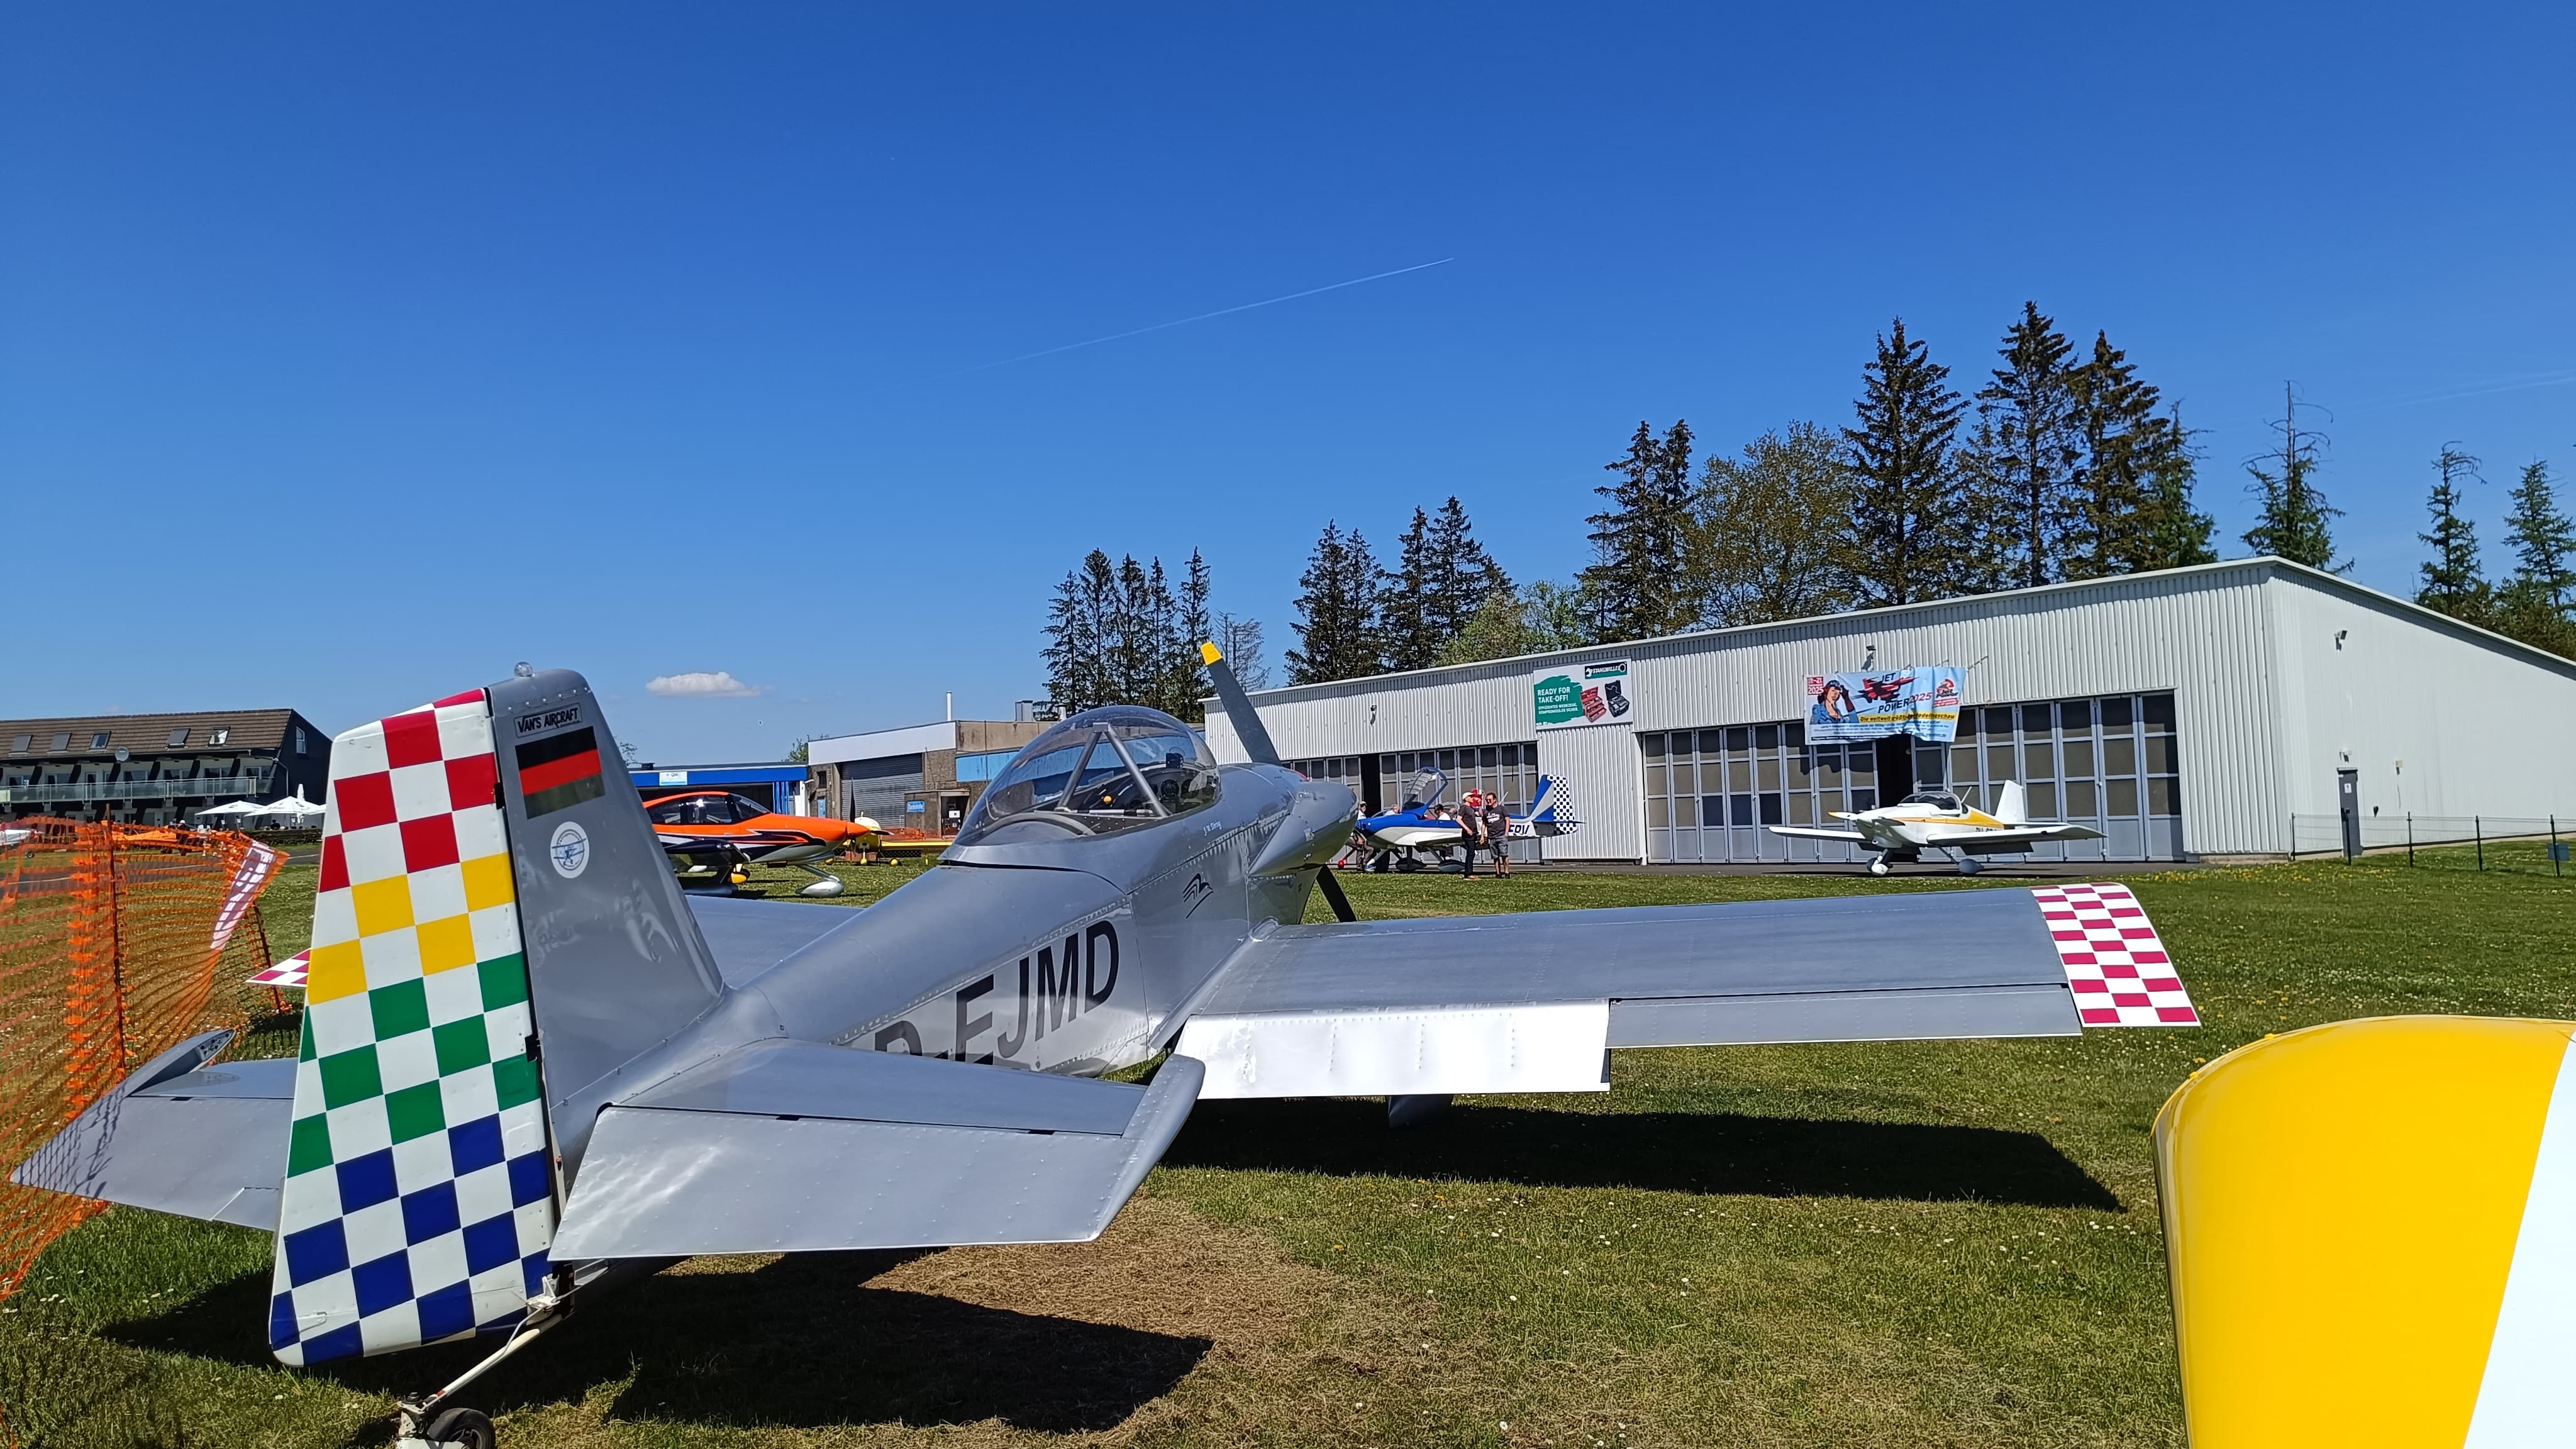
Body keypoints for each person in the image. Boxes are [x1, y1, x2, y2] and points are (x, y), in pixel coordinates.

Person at [1482, 793, 1512, 877]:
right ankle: (1498, 873)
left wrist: (1506, 833)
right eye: (1487, 800)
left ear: (1495, 800)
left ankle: (1507, 872)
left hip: (1501, 835)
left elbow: (1507, 820)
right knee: (1495, 856)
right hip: (1492, 837)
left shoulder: (1501, 809)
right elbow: (1484, 824)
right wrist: (1482, 835)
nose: (1488, 801)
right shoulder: (1486, 811)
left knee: (1504, 854)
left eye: (1490, 800)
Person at [1458, 789, 1487, 878]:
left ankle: (1469, 872)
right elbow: (1458, 819)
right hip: (1468, 833)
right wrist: (1467, 829)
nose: (1472, 798)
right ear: (1466, 799)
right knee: (1471, 852)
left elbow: (1480, 814)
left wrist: (1479, 805)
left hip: (1473, 833)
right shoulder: (1463, 808)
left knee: (1472, 852)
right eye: (1470, 797)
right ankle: (1468, 874)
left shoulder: (1471, 808)